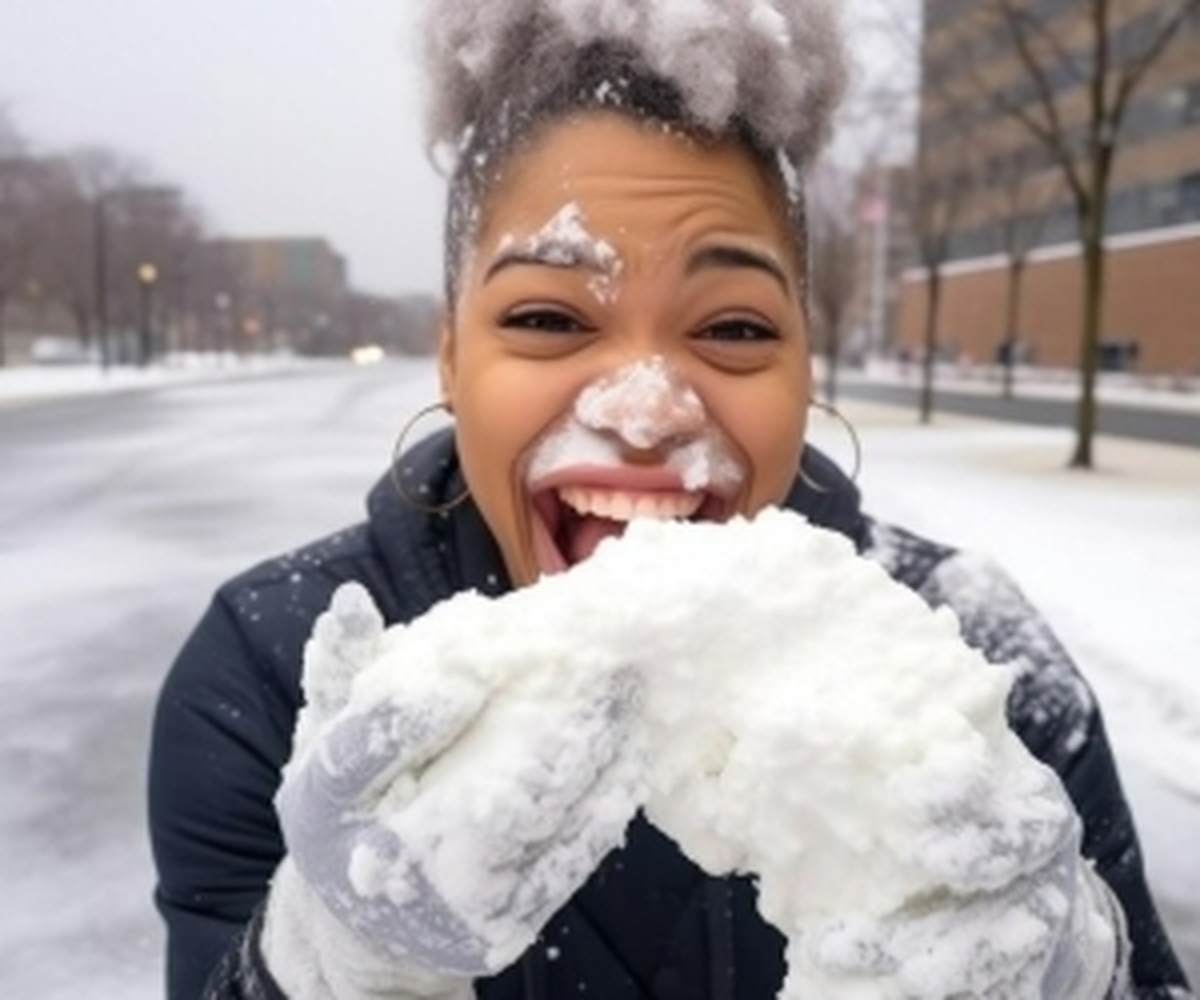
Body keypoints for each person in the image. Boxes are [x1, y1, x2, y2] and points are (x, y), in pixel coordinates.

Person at [148, 2, 1191, 998]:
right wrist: (324, 964)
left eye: (733, 328)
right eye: (551, 318)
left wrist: (1071, 971)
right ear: (452, 358)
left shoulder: (977, 663)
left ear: (807, 368)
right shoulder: (272, 670)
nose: (646, 408)